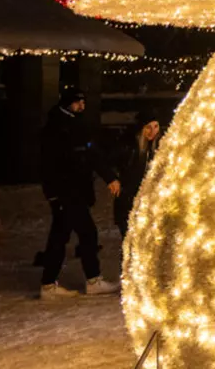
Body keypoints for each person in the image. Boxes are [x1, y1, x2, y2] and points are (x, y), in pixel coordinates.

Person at [39, 87, 121, 298]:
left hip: (69, 191)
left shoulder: (70, 124)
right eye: (78, 102)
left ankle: (48, 284)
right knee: (87, 233)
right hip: (67, 192)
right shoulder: (60, 127)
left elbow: (91, 153)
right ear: (68, 103)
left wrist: (107, 176)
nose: (82, 106)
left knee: (60, 235)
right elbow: (51, 164)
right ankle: (92, 279)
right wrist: (54, 194)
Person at [114, 110, 162, 237]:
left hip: (148, 202)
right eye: (148, 127)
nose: (153, 131)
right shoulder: (129, 146)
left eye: (156, 126)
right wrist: (113, 180)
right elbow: (108, 161)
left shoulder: (159, 146)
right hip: (129, 201)